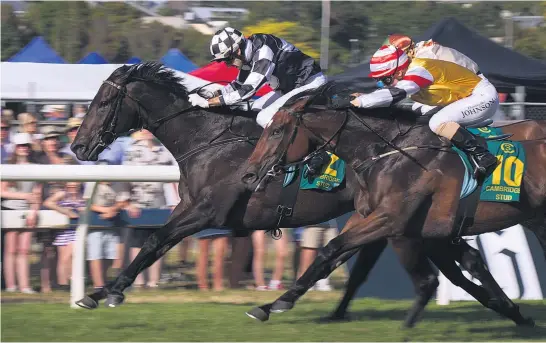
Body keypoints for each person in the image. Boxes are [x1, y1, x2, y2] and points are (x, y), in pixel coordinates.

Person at [189, 27, 330, 176]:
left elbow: (247, 91)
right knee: (252, 109)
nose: (227, 65)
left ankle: (312, 155)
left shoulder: (264, 51)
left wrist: (209, 103)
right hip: (289, 88)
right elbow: (238, 84)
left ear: (237, 51)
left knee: (263, 117)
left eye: (227, 59)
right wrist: (213, 94)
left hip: (311, 84)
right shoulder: (249, 52)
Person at [350, 45, 499, 178]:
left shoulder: (420, 69)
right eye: (379, 81)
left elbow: (396, 93)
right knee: (416, 115)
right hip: (463, 98)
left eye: (385, 80)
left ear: (400, 72)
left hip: (482, 97)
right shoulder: (409, 72)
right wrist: (364, 97)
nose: (383, 85)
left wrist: (361, 102)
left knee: (437, 122)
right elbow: (390, 93)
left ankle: (483, 156)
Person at [382, 34, 486, 116]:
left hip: (471, 90)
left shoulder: (424, 56)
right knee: (417, 107)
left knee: (424, 110)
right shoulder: (418, 52)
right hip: (466, 86)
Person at [1, 133, 42, 294]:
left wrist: (34, 211)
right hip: (10, 209)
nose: (23, 148)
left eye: (26, 145)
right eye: (20, 146)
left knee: (24, 249)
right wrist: (24, 196)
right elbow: (2, 192)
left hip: (27, 210)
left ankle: (25, 286)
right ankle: (11, 285)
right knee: (11, 249)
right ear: (15, 148)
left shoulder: (36, 168)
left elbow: (37, 193)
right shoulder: (7, 166)